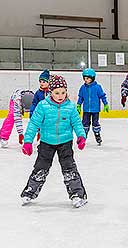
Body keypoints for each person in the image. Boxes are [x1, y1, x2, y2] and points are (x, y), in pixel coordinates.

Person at [20, 75, 88, 208]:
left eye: (63, 92)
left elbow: (77, 123)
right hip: (46, 143)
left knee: (69, 169)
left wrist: (81, 136)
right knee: (40, 168)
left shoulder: (70, 107)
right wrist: (28, 141)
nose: (60, 95)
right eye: (57, 93)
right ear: (50, 92)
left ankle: (77, 194)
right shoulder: (43, 106)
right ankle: (30, 191)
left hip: (65, 142)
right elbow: (33, 124)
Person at [76, 68, 109, 145]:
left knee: (95, 123)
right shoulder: (82, 88)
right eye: (84, 78)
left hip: (95, 110)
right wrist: (78, 105)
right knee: (85, 124)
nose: (85, 80)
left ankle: (97, 135)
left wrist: (105, 104)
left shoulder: (97, 87)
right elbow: (81, 97)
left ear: (92, 78)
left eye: (87, 78)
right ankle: (83, 137)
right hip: (86, 110)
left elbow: (102, 96)